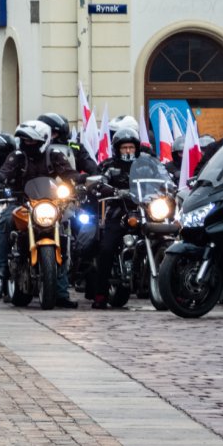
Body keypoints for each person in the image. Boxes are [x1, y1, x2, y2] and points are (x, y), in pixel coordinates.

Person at [0, 119, 81, 308]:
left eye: (32, 141)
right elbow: (5, 171)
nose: (28, 144)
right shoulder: (17, 156)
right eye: (25, 141)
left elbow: (68, 172)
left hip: (50, 203)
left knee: (67, 230)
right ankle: (2, 268)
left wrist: (79, 179)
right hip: (22, 202)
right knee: (6, 221)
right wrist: (0, 177)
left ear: (43, 140)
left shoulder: (55, 154)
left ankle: (61, 291)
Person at [86, 127, 139, 309]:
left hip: (144, 211)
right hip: (118, 212)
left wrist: (171, 184)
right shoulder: (110, 166)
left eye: (131, 147)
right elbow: (99, 183)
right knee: (107, 248)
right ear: (117, 149)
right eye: (124, 148)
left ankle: (174, 290)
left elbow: (163, 178)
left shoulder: (145, 165)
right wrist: (112, 190)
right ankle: (100, 294)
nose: (128, 151)